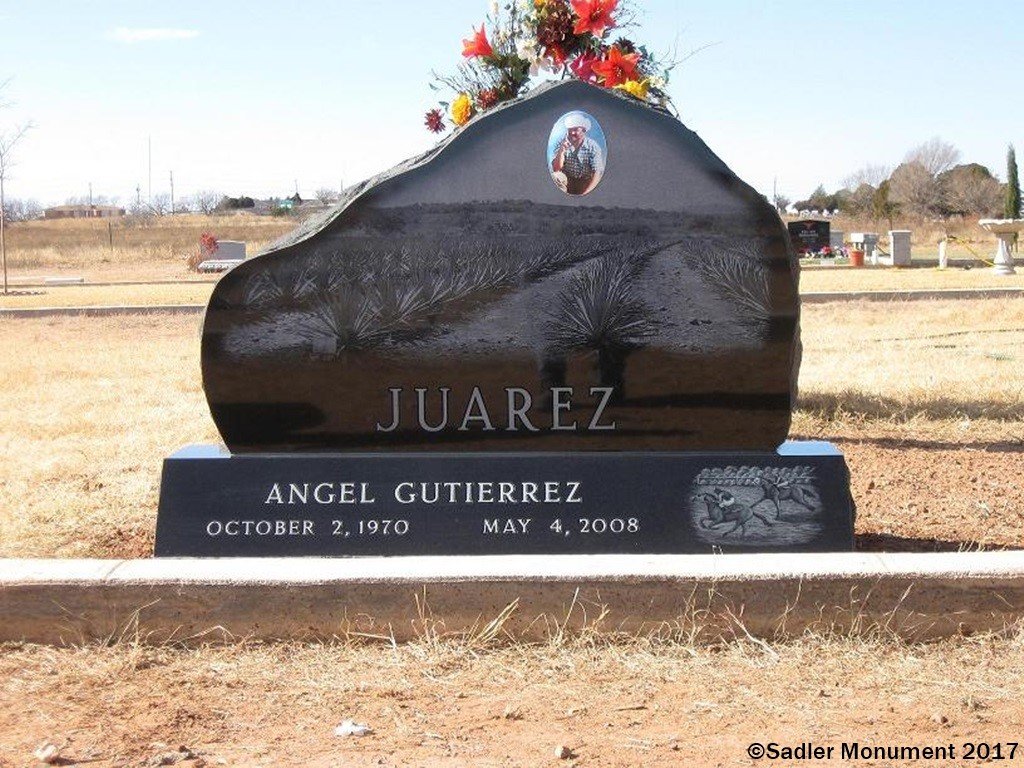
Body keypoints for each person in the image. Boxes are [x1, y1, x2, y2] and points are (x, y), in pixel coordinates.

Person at [550, 113, 604, 196]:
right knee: (557, 177)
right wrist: (561, 150)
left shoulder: (593, 146)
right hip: (568, 179)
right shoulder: (561, 143)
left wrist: (586, 194)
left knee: (595, 183)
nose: (572, 132)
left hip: (585, 180)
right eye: (570, 129)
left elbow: (596, 173)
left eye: (575, 129)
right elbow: (556, 169)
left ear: (584, 130)